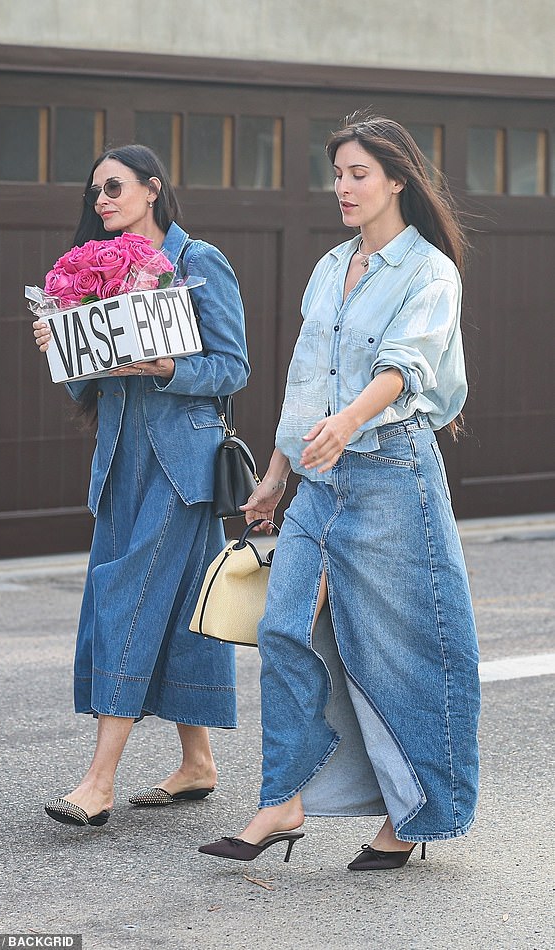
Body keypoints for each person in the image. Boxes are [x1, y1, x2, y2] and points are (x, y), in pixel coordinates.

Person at [199, 113, 480, 869]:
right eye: (338, 175)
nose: (343, 188)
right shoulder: (331, 266)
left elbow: (404, 368)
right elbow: (304, 379)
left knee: (398, 651)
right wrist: (276, 474)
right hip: (320, 478)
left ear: (397, 179)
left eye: (358, 174)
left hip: (393, 472)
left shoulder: (429, 272)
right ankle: (283, 802)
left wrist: (348, 422)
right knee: (285, 628)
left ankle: (412, 814)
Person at [33, 144, 249, 827]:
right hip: (119, 462)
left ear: (152, 189)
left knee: (126, 602)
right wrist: (61, 345)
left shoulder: (197, 263)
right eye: (94, 191)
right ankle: (198, 763)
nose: (100, 200)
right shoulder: (93, 273)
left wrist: (163, 367)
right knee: (182, 609)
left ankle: (98, 783)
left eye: (114, 187)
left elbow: (231, 369)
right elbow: (91, 383)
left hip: (182, 469)